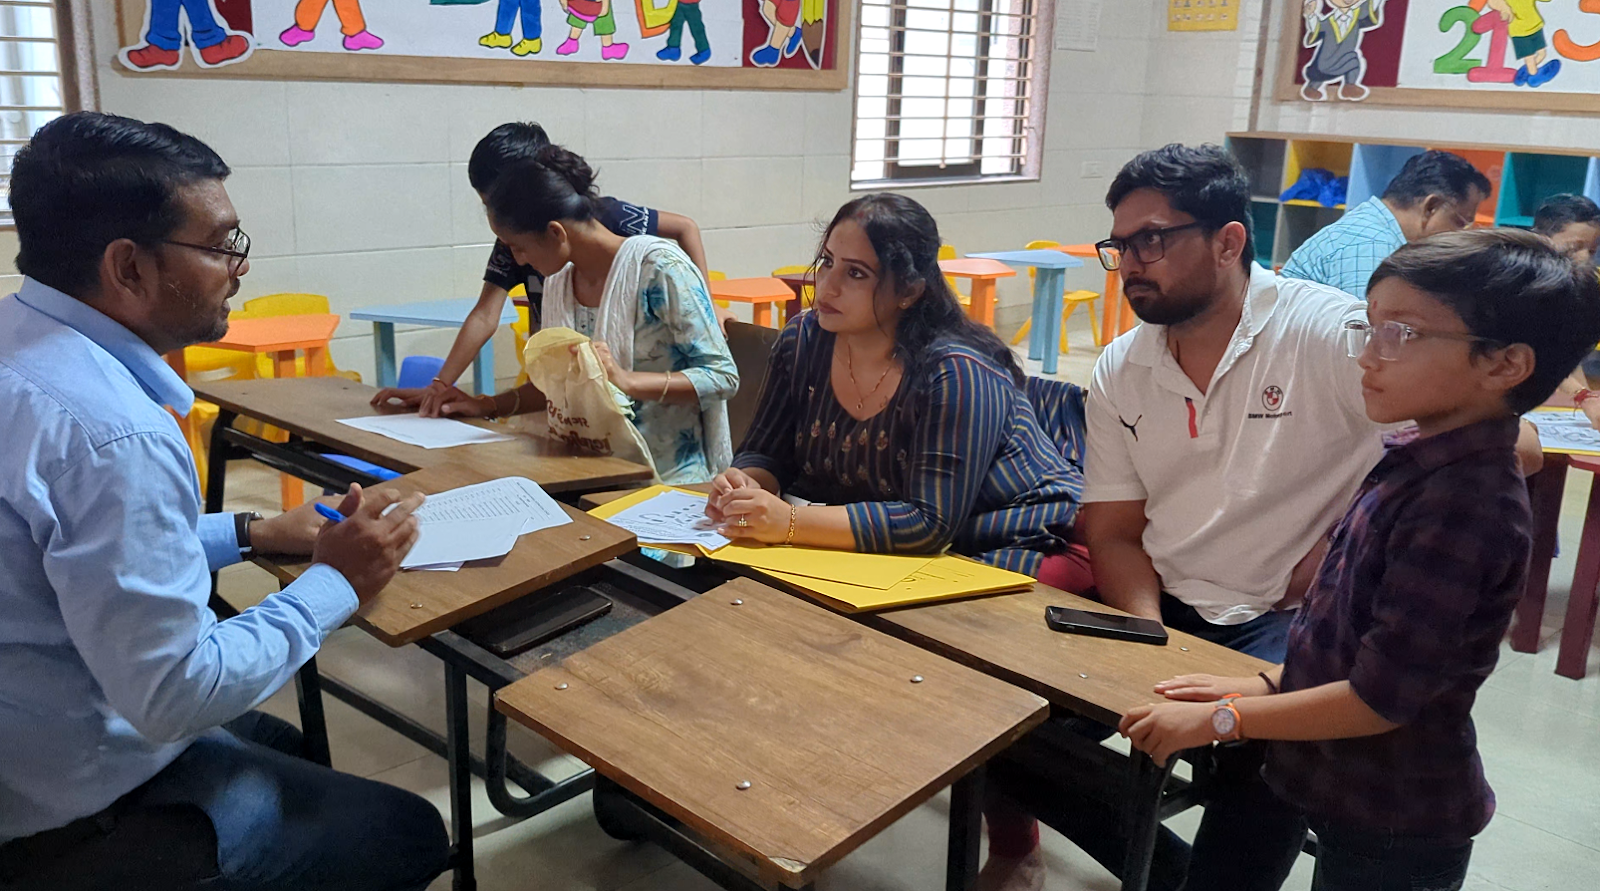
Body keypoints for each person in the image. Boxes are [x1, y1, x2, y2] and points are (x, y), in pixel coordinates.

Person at [0, 112, 448, 891]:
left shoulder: (20, 345)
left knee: (290, 741)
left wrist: (251, 530)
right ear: (128, 268)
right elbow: (175, 692)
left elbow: (75, 551)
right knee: (410, 831)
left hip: (27, 739)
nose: (238, 268)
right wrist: (337, 582)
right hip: (66, 812)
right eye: (220, 245)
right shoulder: (116, 435)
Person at [1121, 229, 1600, 890]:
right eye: (1371, 329)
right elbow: (1348, 635)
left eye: (1400, 334)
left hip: (1397, 818)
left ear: (1505, 365)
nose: (1368, 357)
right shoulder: (1413, 457)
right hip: (1346, 791)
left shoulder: (1465, 506)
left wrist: (1222, 718)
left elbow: (1379, 698)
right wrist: (1258, 684)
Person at [976, 144, 1391, 891]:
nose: (1131, 262)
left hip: (1287, 615)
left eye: (1152, 240)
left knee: (1273, 751)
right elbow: (1113, 530)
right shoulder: (1120, 366)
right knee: (1000, 725)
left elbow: (1479, 442)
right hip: (1163, 602)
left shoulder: (1331, 334)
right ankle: (1175, 875)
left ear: (1229, 241)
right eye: (1121, 245)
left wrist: (1346, 543)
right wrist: (1146, 635)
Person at [703, 192, 1087, 584]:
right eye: (828, 263)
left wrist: (788, 522)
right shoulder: (803, 340)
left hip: (1018, 539)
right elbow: (766, 452)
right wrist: (747, 486)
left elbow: (929, 522)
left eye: (855, 274)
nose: (827, 287)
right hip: (898, 546)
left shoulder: (955, 371)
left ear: (909, 291)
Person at [421, 144, 738, 485]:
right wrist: (486, 405)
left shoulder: (658, 270)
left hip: (667, 481)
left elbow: (722, 376)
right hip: (584, 474)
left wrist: (627, 381)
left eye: (519, 247)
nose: (520, 260)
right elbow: (558, 388)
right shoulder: (559, 284)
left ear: (556, 233)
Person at [371, 121, 719, 418]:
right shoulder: (547, 267)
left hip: (649, 432)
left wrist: (707, 304)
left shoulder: (628, 243)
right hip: (572, 409)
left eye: (498, 200)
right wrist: (444, 388)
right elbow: (487, 317)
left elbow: (718, 376)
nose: (517, 256)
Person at [1282, 149, 1490, 298]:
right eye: (1460, 223)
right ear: (1431, 207)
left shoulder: (1376, 229)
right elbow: (1364, 339)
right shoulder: (1371, 243)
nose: (1459, 235)